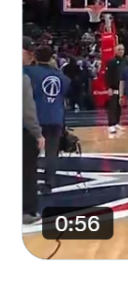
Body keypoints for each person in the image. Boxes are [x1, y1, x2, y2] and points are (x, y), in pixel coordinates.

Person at [24, 45, 70, 194]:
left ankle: (29, 183)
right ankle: (49, 183)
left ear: (35, 57)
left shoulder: (29, 72)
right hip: (55, 118)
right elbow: (65, 94)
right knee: (51, 153)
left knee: (30, 153)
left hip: (35, 118)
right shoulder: (61, 76)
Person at [22, 37, 44, 223]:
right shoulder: (22, 78)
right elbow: (27, 111)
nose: (31, 56)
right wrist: (37, 134)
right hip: (23, 133)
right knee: (27, 172)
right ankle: (27, 211)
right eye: (27, 52)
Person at [105, 43, 127, 135]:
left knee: (119, 106)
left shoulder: (125, 61)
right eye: (119, 49)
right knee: (112, 107)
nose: (121, 51)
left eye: (122, 49)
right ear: (115, 51)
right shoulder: (111, 62)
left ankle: (117, 123)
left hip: (121, 88)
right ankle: (111, 125)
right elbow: (107, 75)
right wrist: (109, 87)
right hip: (113, 87)